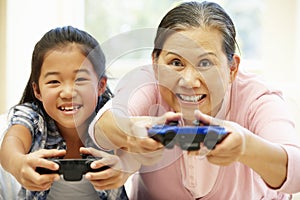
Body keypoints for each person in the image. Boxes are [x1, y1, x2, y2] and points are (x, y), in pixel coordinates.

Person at [88, 1, 300, 200]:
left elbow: (297, 173)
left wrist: (245, 147)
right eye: (176, 62)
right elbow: (103, 126)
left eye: (205, 62)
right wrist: (131, 131)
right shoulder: (146, 83)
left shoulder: (257, 97)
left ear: (232, 68)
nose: (189, 81)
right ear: (155, 63)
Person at [0, 26, 129, 200]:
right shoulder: (33, 116)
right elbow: (12, 143)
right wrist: (18, 164)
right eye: (54, 81)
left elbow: (132, 143)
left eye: (80, 79)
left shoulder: (109, 114)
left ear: (100, 86)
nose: (68, 92)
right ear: (37, 90)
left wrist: (126, 165)